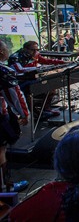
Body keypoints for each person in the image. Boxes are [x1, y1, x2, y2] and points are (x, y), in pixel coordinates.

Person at [8, 40, 67, 118]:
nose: (35, 52)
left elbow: (45, 61)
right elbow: (19, 70)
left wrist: (62, 62)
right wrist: (38, 68)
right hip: (19, 82)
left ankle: (46, 109)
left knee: (51, 86)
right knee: (30, 92)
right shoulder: (15, 57)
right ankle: (34, 114)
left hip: (31, 79)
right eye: (33, 50)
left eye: (37, 50)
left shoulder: (35, 55)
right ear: (25, 49)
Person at [0, 40, 29, 192]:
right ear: (1, 52)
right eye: (6, 48)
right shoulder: (3, 71)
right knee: (1, 151)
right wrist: (24, 114)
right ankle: (5, 188)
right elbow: (15, 96)